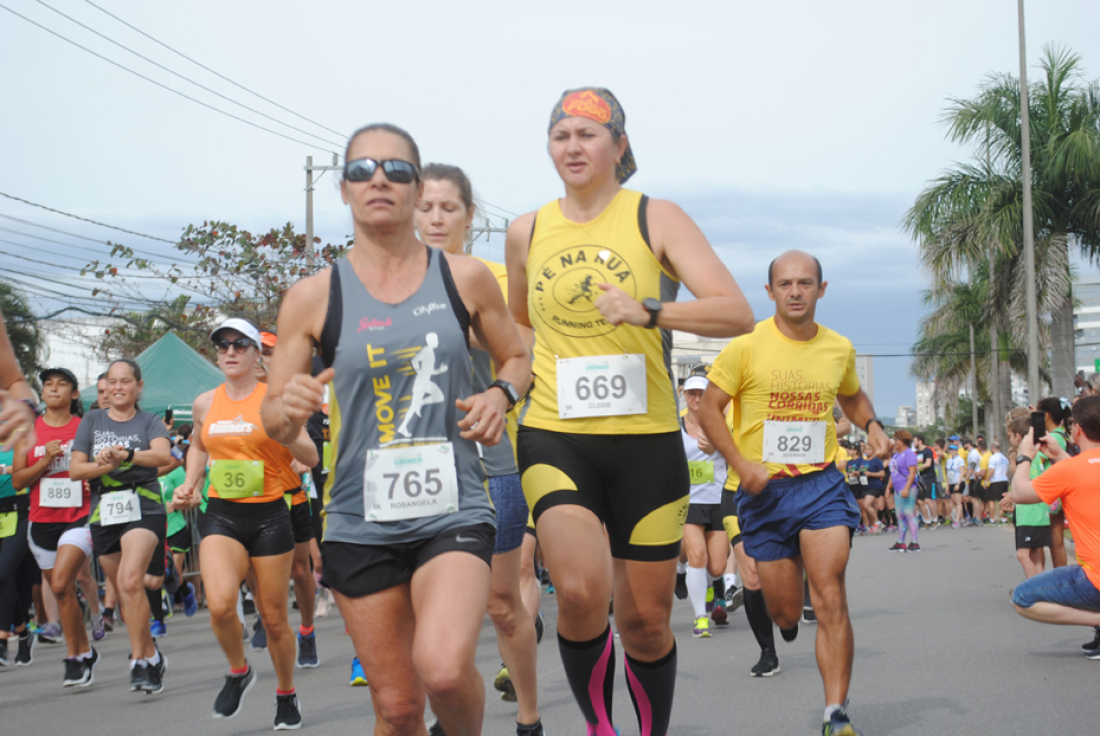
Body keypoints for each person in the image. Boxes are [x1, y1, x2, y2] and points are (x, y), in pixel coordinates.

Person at [261, 123, 531, 736]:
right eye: (361, 170)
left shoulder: (464, 278)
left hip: (454, 506)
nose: (378, 179)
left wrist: (500, 394)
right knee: (400, 708)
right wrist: (292, 403)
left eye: (396, 169)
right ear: (344, 189)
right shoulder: (311, 296)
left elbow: (517, 359)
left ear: (416, 188)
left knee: (441, 670)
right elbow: (274, 418)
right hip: (359, 518)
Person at [506, 87, 753, 736]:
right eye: (561, 135)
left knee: (644, 621)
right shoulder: (525, 231)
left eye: (588, 134)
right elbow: (518, 337)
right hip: (554, 434)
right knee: (583, 592)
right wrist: (498, 389)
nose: (573, 146)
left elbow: (735, 311)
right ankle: (597, 727)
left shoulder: (656, 218)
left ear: (618, 145)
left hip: (645, 441)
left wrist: (649, 312)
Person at [698, 250, 891, 736]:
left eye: (805, 283)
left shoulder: (838, 348)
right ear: (770, 292)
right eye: (785, 284)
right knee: (785, 611)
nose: (795, 291)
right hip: (763, 492)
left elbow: (849, 393)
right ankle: (784, 611)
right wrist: (742, 465)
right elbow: (711, 410)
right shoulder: (746, 347)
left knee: (830, 596)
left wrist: (870, 423)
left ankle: (836, 713)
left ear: (821, 289)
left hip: (821, 484)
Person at [415, 162, 542, 732]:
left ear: (471, 215)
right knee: (432, 611)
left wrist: (460, 326)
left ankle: (530, 718)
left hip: (488, 462)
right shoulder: (384, 282)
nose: (435, 218)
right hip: (411, 467)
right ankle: (451, 706)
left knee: (499, 603)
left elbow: (526, 356)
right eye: (425, 207)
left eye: (449, 208)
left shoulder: (486, 277)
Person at [174, 318, 316, 729]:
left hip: (271, 514)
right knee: (219, 605)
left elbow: (309, 456)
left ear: (257, 355)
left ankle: (286, 693)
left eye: (240, 345)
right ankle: (239, 671)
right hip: (221, 513)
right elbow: (199, 444)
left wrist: (286, 430)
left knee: (273, 619)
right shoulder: (205, 403)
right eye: (222, 346)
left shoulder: (276, 398)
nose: (230, 352)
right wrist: (189, 483)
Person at [69, 358, 172, 694]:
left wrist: (126, 455)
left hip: (143, 505)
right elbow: (75, 471)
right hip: (104, 512)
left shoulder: (149, 420)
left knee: (129, 582)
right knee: (129, 594)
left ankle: (139, 662)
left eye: (125, 381)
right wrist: (104, 464)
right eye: (112, 381)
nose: (117, 387)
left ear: (138, 386)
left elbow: (162, 456)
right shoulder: (92, 419)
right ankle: (153, 656)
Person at [12, 367, 100, 685]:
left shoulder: (85, 428)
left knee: (62, 584)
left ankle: (73, 657)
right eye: (48, 385)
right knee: (63, 593)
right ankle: (84, 652)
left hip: (80, 516)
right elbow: (19, 480)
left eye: (62, 385)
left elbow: (101, 467)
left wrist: (93, 478)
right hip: (41, 521)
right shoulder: (28, 433)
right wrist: (44, 462)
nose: (53, 390)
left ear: (74, 394)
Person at [1005, 395, 1100, 650]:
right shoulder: (1072, 467)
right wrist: (1059, 455)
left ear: (1077, 428)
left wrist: (1025, 457)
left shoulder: (1070, 470)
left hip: (1096, 579)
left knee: (1022, 598)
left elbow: (1019, 493)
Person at [678, 370, 730, 638]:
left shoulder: (722, 423)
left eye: (702, 393)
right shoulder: (675, 427)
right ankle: (701, 618)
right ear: (684, 395)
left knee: (717, 566)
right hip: (688, 502)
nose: (697, 398)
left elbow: (737, 453)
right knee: (697, 555)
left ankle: (707, 585)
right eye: (692, 393)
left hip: (718, 500)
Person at [1003, 414, 1052, 578]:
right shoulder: (1037, 454)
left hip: (1029, 513)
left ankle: (1035, 592)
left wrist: (1012, 496)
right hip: (1038, 512)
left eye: (1009, 436)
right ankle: (1040, 588)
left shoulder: (1025, 458)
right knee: (1033, 555)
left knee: (1023, 555)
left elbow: (1028, 481)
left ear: (1017, 436)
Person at [885, 431, 920, 552]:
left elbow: (912, 472)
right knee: (899, 515)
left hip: (908, 488)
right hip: (897, 488)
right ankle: (901, 542)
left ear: (903, 440)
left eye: (896, 439)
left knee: (909, 513)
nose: (894, 442)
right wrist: (888, 488)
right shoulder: (896, 455)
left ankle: (915, 543)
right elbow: (893, 473)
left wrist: (906, 488)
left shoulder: (909, 454)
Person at [860, 441, 887, 533]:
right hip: (864, 486)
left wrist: (871, 474)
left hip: (874, 486)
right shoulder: (863, 461)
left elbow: (882, 473)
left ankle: (877, 522)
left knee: (866, 505)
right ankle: (874, 525)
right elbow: (861, 472)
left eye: (869, 449)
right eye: (865, 449)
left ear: (873, 451)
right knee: (870, 507)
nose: (867, 451)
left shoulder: (876, 461)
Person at [912, 435, 937, 529]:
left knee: (928, 500)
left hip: (929, 478)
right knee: (919, 501)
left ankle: (935, 520)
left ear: (920, 441)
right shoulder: (915, 453)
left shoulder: (928, 451)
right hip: (919, 479)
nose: (914, 443)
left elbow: (928, 464)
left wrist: (917, 468)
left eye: (915, 441)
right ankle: (927, 521)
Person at [945, 443, 966, 528]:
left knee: (958, 501)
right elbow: (949, 473)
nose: (951, 451)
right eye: (950, 449)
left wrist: (959, 483)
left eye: (953, 449)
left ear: (956, 450)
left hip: (958, 481)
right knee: (953, 501)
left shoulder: (960, 460)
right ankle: (961, 518)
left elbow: (962, 472)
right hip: (952, 482)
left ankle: (957, 520)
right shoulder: (949, 461)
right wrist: (947, 485)